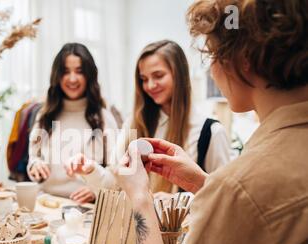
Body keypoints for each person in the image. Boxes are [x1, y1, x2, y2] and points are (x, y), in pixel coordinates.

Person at [115, 0, 308, 244]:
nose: (213, 70)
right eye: (143, 79)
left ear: (243, 59)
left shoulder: (238, 184)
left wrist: (141, 201)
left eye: (215, 55)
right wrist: (205, 184)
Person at [66, 40, 231, 196]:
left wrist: (179, 202)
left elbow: (221, 198)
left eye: (158, 76)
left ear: (179, 75)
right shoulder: (134, 122)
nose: (150, 86)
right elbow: (114, 185)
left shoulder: (211, 132)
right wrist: (90, 169)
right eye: (144, 79)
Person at [28, 43, 118, 203]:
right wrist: (35, 165)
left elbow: (117, 175)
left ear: (89, 76)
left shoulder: (104, 118)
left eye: (79, 71)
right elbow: (33, 159)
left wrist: (96, 190)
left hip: (86, 208)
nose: (72, 79)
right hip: (46, 203)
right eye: (65, 72)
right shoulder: (44, 115)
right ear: (57, 76)